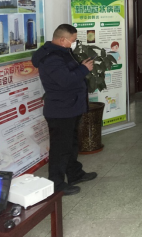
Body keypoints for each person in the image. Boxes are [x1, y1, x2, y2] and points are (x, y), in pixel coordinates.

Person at [32, 24, 97, 196]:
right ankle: (57, 183)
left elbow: (69, 73)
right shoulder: (51, 58)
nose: (74, 43)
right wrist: (84, 69)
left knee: (71, 144)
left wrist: (80, 66)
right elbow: (65, 80)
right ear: (62, 39)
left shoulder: (62, 52)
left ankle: (75, 174)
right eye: (73, 40)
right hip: (60, 110)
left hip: (70, 107)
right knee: (60, 149)